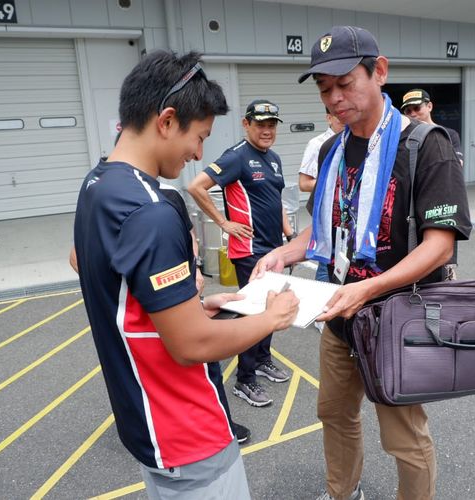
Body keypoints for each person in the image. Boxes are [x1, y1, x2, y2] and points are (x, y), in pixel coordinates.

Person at [251, 26, 472, 499]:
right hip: (337, 313)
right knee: (334, 413)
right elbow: (327, 229)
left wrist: (368, 289)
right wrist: (282, 254)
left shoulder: (425, 145)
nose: (334, 98)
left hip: (397, 320)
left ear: (380, 72)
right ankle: (343, 492)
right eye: (324, 88)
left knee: (405, 438)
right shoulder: (332, 149)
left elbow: (440, 245)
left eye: (345, 82)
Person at [73, 50, 299, 499]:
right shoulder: (153, 210)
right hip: (187, 429)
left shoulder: (97, 184)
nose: (198, 154)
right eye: (199, 137)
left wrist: (187, 303)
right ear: (167, 120)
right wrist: (272, 318)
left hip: (146, 423)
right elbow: (191, 343)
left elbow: (83, 262)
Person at [68, 181, 251, 446]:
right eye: (197, 138)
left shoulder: (169, 194)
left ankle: (220, 423)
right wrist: (121, 296)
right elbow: (77, 256)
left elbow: (189, 237)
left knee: (202, 368)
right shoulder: (109, 196)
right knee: (164, 368)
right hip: (149, 312)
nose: (196, 154)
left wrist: (195, 269)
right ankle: (161, 430)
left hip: (182, 294)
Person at [188, 99, 295, 408]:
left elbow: (277, 202)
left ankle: (262, 360)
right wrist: (224, 223)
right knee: (254, 313)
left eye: (271, 124)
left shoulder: (272, 158)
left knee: (270, 309)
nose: (266, 130)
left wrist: (290, 238)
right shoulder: (236, 157)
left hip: (272, 250)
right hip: (248, 251)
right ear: (246, 124)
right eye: (260, 124)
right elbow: (197, 187)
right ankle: (244, 380)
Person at [299, 108, 345, 287]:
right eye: (338, 117)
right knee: (325, 265)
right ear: (328, 118)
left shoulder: (354, 140)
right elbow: (304, 183)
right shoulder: (318, 144)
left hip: (346, 220)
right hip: (326, 216)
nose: (343, 120)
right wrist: (333, 184)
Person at [401, 88, 464, 166]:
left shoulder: (449, 134)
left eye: (417, 108)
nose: (413, 114)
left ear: (429, 106)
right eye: (408, 111)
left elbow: (458, 164)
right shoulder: (403, 136)